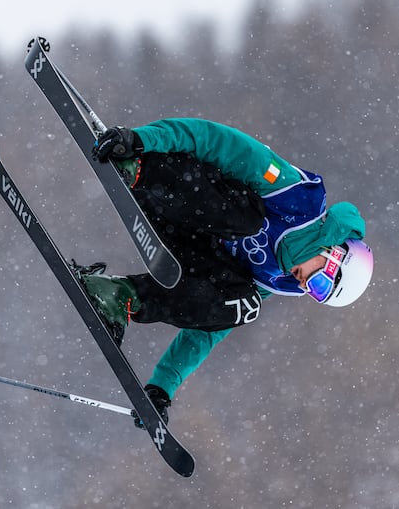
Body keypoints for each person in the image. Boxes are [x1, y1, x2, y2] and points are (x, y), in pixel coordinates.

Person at [79, 118, 373, 428]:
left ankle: (120, 296)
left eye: (318, 294)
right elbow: (221, 143)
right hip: (166, 177)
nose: (307, 286)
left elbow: (211, 327)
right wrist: (142, 141)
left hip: (181, 237)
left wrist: (163, 386)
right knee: (247, 220)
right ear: (333, 254)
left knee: (244, 306)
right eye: (321, 282)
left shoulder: (277, 278)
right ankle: (137, 169)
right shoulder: (297, 200)